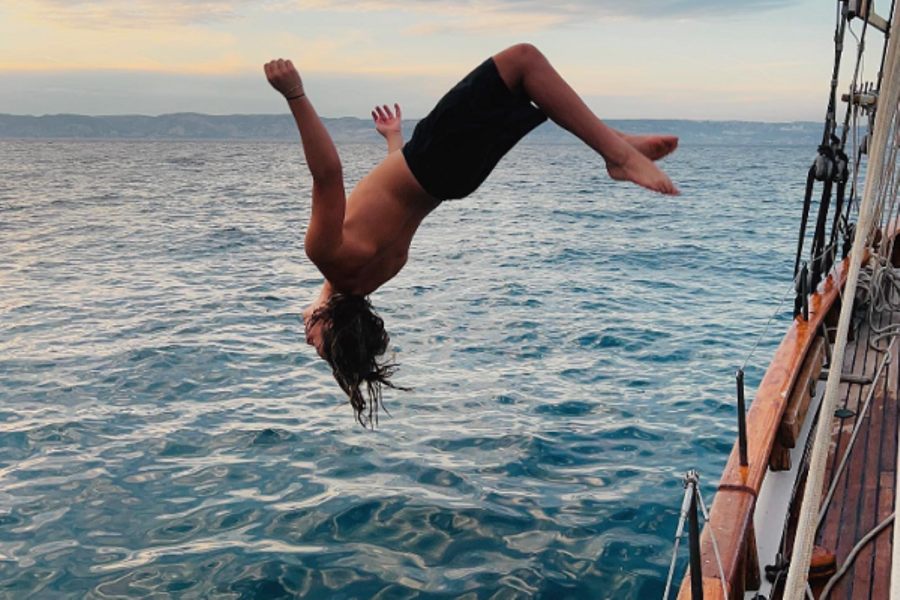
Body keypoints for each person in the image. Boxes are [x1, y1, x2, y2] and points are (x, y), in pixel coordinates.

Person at [264, 43, 680, 426]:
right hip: (432, 156)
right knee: (523, 62)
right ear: (331, 321)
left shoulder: (375, 274)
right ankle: (618, 155)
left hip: (455, 179)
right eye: (318, 345)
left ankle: (617, 144)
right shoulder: (325, 254)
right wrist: (295, 94)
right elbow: (328, 173)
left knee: (525, 91)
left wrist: (393, 139)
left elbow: (392, 198)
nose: (308, 340)